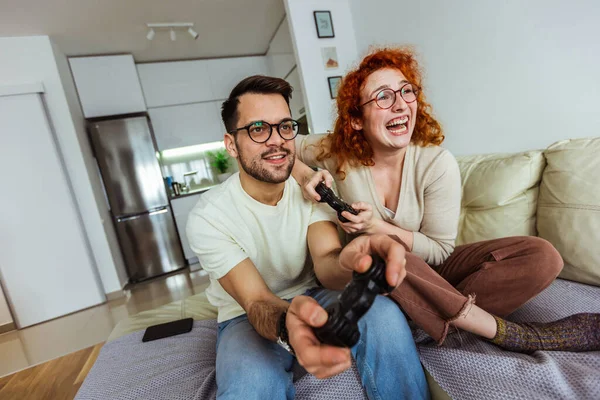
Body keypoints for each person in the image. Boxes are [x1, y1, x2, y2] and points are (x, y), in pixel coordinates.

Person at [292, 47, 600, 353]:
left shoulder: (436, 163)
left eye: (406, 92)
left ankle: (423, 320)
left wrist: (378, 226)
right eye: (383, 97)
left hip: (427, 272)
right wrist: (306, 175)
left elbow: (439, 252)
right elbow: (282, 145)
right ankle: (517, 335)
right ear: (357, 119)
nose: (400, 105)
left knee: (543, 255)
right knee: (385, 254)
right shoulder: (337, 151)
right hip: (375, 276)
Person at [186, 75, 429, 400]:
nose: (277, 140)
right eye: (258, 129)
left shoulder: (311, 192)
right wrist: (289, 327)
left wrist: (354, 260)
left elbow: (327, 265)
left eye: (285, 126)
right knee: (249, 385)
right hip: (244, 315)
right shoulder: (209, 216)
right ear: (231, 144)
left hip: (315, 294)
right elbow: (256, 300)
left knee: (384, 316)